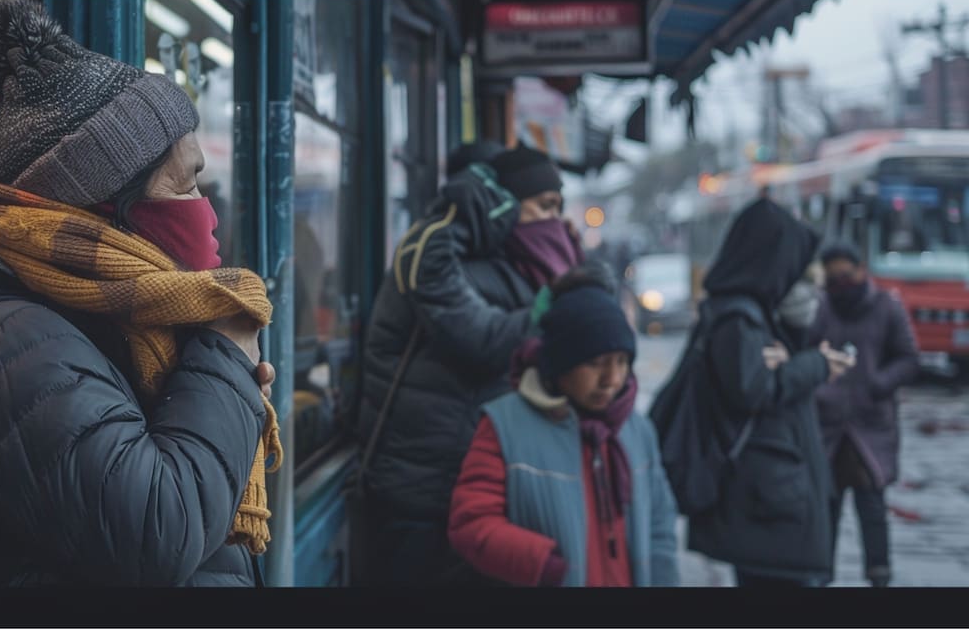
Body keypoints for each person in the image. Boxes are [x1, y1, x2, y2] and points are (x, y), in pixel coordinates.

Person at [0, 0, 279, 586]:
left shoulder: (99, 316)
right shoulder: (11, 343)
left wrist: (217, 380)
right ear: (105, 207)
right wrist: (223, 361)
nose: (207, 212)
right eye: (186, 184)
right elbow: (155, 532)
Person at [356, 142, 582, 586]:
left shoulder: (518, 265)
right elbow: (484, 342)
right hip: (420, 488)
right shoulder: (444, 261)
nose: (553, 221)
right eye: (543, 206)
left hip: (483, 485)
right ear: (503, 205)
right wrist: (462, 209)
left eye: (559, 207)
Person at [447, 263, 679, 587]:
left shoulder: (636, 431)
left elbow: (660, 527)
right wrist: (542, 564)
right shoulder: (505, 427)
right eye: (595, 363)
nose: (611, 379)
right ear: (560, 364)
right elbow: (471, 522)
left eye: (621, 361)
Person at [686, 198, 855, 587]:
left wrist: (798, 358)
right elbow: (753, 390)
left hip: (773, 495)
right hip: (767, 502)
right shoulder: (739, 318)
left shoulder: (752, 313)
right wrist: (815, 365)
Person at [810, 241, 919, 587]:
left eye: (845, 275)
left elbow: (908, 358)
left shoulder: (887, 306)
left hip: (870, 427)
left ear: (860, 270)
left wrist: (877, 384)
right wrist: (819, 387)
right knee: (825, 509)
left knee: (872, 507)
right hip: (828, 427)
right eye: (832, 278)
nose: (840, 284)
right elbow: (805, 353)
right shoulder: (822, 308)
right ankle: (820, 576)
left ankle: (878, 575)